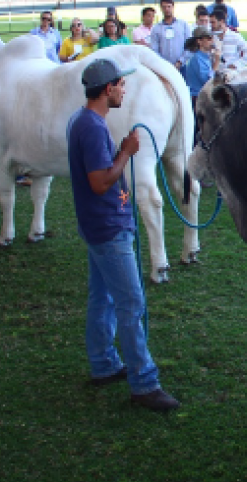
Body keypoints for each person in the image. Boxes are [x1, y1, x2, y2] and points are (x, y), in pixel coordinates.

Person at [67, 58, 179, 412]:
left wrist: (118, 154)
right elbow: (100, 182)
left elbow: (98, 174)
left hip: (97, 225)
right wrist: (127, 154)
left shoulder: (82, 120)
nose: (124, 90)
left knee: (102, 297)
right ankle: (144, 383)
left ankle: (103, 363)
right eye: (120, 84)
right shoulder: (92, 127)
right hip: (109, 229)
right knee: (131, 303)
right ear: (107, 89)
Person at [183, 27, 220, 112]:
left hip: (203, 97)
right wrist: (217, 62)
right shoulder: (197, 59)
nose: (212, 41)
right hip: (198, 99)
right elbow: (208, 81)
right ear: (199, 41)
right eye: (209, 39)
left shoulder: (205, 57)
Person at [150, 0, 192, 66]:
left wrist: (180, 61)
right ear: (161, 8)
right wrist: (162, 63)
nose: (167, 9)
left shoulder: (183, 25)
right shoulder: (156, 28)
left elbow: (190, 46)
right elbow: (154, 49)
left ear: (173, 7)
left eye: (169, 6)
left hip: (181, 66)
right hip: (163, 67)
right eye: (164, 7)